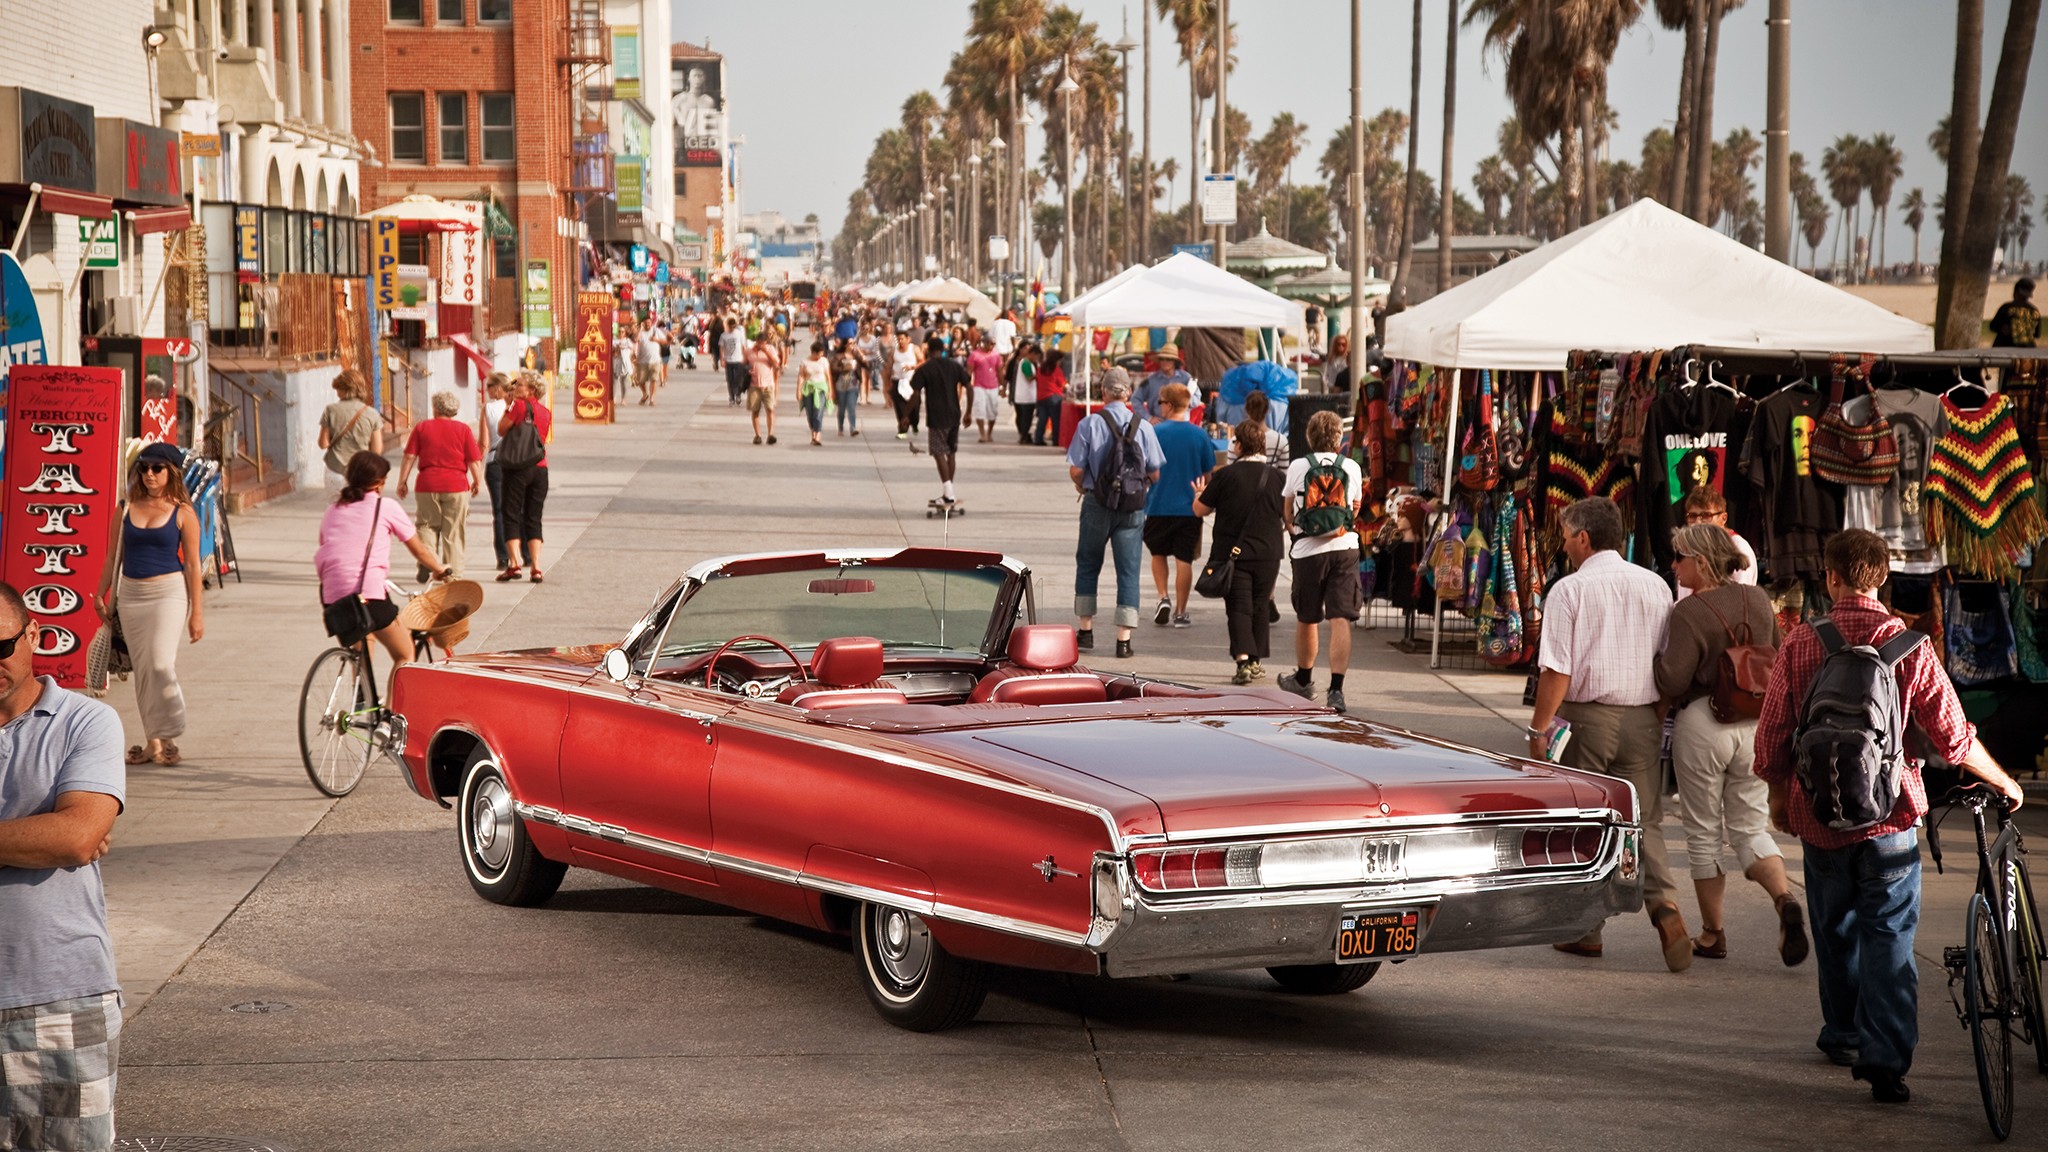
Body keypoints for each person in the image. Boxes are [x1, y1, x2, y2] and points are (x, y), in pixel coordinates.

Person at [1753, 528, 2024, 1104]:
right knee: (1891, 936)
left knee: (1835, 930)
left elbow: (1772, 735)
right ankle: (1886, 1060)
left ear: (1830, 577)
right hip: (1892, 817)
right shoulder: (1909, 645)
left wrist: (1781, 798)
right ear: (1882, 577)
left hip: (1820, 817)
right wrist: (2003, 780)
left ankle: (1844, 1033)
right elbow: (1953, 739)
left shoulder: (1801, 643)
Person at [1528, 495, 1694, 972]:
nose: (1564, 546)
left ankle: (1586, 929)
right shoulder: (1656, 586)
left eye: (1565, 537)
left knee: (1585, 823)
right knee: (1646, 823)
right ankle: (1666, 908)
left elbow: (1556, 672)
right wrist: (1654, 712)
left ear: (1583, 538)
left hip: (1584, 720)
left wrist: (1538, 730)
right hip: (1642, 718)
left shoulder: (1568, 590)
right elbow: (1667, 663)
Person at [0, 580, 127, 1152]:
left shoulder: (85, 723)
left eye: (0, 647)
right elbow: (67, 836)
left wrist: (68, 834)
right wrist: (35, 834)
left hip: (55, 997)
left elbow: (76, 838)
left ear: (32, 635)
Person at [1653, 523, 1802, 967]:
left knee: (1703, 833)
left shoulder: (1689, 612)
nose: (1673, 564)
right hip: (1755, 724)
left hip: (1705, 721)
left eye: (1679, 557)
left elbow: (1674, 680)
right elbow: (1777, 652)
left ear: (1701, 561)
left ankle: (1713, 933)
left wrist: (1657, 665)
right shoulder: (1757, 599)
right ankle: (1783, 897)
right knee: (1750, 828)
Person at [91, 442, 203, 767]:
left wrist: (197, 612)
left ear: (171, 472)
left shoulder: (183, 512)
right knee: (142, 672)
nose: (150, 474)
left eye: (157, 468)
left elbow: (193, 565)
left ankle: (170, 730)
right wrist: (101, 594)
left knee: (159, 665)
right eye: (144, 468)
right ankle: (154, 742)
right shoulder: (124, 507)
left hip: (169, 593)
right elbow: (112, 556)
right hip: (130, 595)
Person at [320, 453, 454, 692]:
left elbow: (329, 549)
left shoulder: (333, 509)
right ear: (380, 482)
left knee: (363, 650)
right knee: (405, 654)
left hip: (334, 599)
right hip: (368, 595)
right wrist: (439, 569)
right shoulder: (385, 506)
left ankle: (362, 703)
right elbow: (420, 551)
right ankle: (388, 719)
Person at [1066, 368, 1165, 659]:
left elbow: (1076, 469)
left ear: (1104, 392)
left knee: (1087, 562)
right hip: (1132, 508)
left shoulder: (1090, 424)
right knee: (1129, 569)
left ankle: (1085, 631)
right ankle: (1124, 639)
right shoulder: (1144, 426)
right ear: (1128, 394)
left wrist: (1081, 485)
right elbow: (1156, 473)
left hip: (1097, 504)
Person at [1278, 410, 1365, 713]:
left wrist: (1294, 529)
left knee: (1308, 616)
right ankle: (1337, 691)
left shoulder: (1299, 466)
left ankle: (1303, 681)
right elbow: (1355, 507)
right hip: (1345, 548)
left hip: (1308, 551)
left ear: (1309, 436)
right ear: (1339, 439)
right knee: (1340, 618)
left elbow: (1287, 510)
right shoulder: (1351, 467)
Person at [1193, 418, 1287, 683]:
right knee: (1260, 606)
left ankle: (1243, 661)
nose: (1232, 444)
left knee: (1238, 607)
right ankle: (1256, 661)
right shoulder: (1277, 477)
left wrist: (1198, 495)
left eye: (1235, 441)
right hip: (1269, 553)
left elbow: (1200, 510)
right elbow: (1288, 516)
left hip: (1232, 554)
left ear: (1241, 445)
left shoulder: (1225, 475)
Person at [1143, 383, 1216, 630]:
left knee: (1157, 553)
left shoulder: (1155, 433)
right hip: (1189, 506)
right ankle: (1181, 612)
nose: (1159, 406)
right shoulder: (1200, 435)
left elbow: (1145, 467)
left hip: (1157, 504)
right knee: (1184, 559)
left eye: (1161, 402)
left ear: (1170, 405)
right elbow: (1208, 473)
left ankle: (1163, 596)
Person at [396, 390, 483, 581]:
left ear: (435, 408)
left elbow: (409, 456)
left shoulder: (422, 428)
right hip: (456, 485)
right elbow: (473, 460)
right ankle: (454, 574)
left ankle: (430, 563)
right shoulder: (463, 430)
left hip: (427, 483)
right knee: (453, 529)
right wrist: (477, 481)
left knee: (426, 525)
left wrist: (402, 481)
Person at [495, 374, 553, 582]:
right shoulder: (545, 412)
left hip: (517, 468)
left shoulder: (518, 406)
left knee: (511, 513)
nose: (515, 387)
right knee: (533, 516)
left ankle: (514, 564)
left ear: (531, 391)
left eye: (520, 385)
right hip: (540, 469)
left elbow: (502, 429)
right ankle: (536, 567)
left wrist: (509, 407)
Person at [911, 336, 973, 502]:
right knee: (951, 453)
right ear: (943, 350)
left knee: (938, 452)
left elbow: (915, 394)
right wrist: (968, 412)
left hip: (937, 417)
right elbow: (968, 386)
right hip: (954, 415)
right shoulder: (954, 365)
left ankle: (949, 492)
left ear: (928, 350)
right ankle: (948, 492)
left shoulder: (925, 369)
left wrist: (905, 416)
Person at [1676, 486, 1757, 599]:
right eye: (1693, 516)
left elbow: (1739, 600)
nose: (1698, 522)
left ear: (1723, 518)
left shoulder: (1738, 548)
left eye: (1706, 516)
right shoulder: (1689, 548)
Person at [317, 369, 384, 494]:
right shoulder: (372, 414)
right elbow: (377, 450)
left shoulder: (330, 410)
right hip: (361, 472)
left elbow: (323, 444)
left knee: (336, 509)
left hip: (335, 470)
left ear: (343, 390)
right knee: (359, 510)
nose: (337, 393)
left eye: (338, 389)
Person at [481, 372, 511, 573]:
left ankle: (503, 557)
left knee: (499, 512)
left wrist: (476, 465)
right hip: (515, 461)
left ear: (498, 388)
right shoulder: (515, 407)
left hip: (495, 461)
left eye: (489, 386)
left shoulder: (488, 409)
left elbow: (483, 441)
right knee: (517, 509)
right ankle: (525, 553)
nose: (487, 390)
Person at [1131, 343, 1191, 420]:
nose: (1164, 362)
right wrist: (1149, 418)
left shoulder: (1186, 378)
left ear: (1174, 362)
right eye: (1162, 359)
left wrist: (1187, 398)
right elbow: (1135, 399)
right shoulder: (1151, 380)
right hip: (1159, 423)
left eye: (1168, 359)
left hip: (1181, 423)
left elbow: (1196, 400)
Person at [746, 330, 784, 445]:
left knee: (770, 409)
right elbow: (743, 364)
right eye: (759, 342)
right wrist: (746, 370)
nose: (760, 344)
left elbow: (776, 364)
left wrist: (765, 351)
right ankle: (757, 435)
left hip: (768, 385)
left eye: (762, 343)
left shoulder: (771, 349)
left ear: (766, 342)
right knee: (755, 411)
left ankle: (770, 434)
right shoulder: (749, 352)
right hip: (754, 385)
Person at [965, 336, 1005, 444]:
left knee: (993, 411)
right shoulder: (974, 355)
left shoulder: (996, 355)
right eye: (990, 343)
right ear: (984, 343)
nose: (992, 346)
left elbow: (999, 371)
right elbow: (969, 370)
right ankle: (982, 433)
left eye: (993, 344)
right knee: (980, 410)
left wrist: (1003, 386)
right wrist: (967, 384)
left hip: (993, 386)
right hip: (979, 386)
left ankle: (989, 433)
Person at [797, 341, 832, 447]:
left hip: (821, 389)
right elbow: (801, 376)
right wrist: (798, 390)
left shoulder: (824, 361)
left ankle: (817, 435)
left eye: (822, 354)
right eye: (819, 354)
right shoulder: (805, 362)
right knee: (810, 414)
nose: (820, 357)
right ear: (813, 352)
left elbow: (828, 376)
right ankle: (813, 433)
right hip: (808, 389)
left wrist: (830, 391)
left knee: (818, 412)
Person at [890, 329, 923, 441]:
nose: (900, 341)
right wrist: (887, 382)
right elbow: (889, 366)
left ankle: (914, 423)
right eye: (898, 339)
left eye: (902, 339)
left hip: (911, 382)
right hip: (897, 381)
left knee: (915, 406)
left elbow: (922, 361)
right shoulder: (894, 350)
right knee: (900, 407)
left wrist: (912, 367)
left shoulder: (914, 349)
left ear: (908, 339)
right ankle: (902, 429)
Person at [1990, 276, 2038, 347]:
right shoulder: (2034, 310)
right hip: (2027, 349)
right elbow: (2036, 334)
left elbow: (1993, 326)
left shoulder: (2006, 308)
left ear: (2016, 292)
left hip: (2005, 347)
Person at [1035, 348, 1068, 447]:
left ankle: (1038, 439)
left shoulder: (1040, 368)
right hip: (1054, 397)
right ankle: (1056, 440)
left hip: (1041, 396)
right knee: (1055, 420)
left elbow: (1037, 380)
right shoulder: (1057, 370)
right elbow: (1062, 383)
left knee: (1042, 419)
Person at [830, 342, 863, 437]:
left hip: (853, 385)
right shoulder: (839, 356)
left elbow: (866, 364)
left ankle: (853, 428)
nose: (852, 345)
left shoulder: (856, 356)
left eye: (854, 343)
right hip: (841, 385)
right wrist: (843, 368)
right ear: (845, 345)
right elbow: (833, 368)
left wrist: (860, 353)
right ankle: (840, 427)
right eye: (850, 343)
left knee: (851, 406)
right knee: (841, 409)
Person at [719, 317, 748, 405]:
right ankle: (731, 397)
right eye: (730, 327)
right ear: (727, 326)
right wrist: (722, 359)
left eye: (733, 327)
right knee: (730, 379)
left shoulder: (739, 334)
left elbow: (744, 346)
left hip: (738, 359)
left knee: (738, 379)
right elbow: (721, 348)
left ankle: (738, 394)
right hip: (728, 360)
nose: (732, 328)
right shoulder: (723, 335)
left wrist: (745, 357)